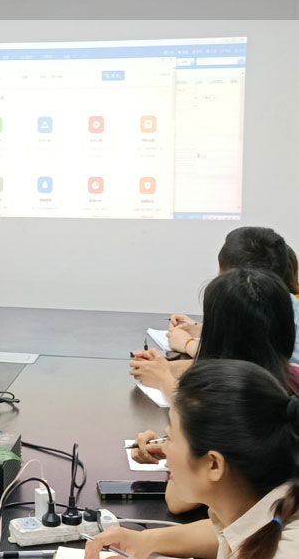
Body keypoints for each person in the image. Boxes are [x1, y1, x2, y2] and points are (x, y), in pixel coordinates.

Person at [86, 360, 299, 559]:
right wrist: (146, 540)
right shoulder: (266, 511)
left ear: (214, 464)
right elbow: (231, 533)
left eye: (169, 438)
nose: (163, 450)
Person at [130, 268, 299, 400]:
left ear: (215, 335)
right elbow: (242, 361)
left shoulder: (234, 396)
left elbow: (191, 410)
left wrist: (163, 379)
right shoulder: (292, 375)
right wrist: (168, 368)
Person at [167, 227, 299, 364]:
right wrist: (203, 330)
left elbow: (245, 365)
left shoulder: (235, 299)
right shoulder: (287, 302)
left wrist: (188, 344)